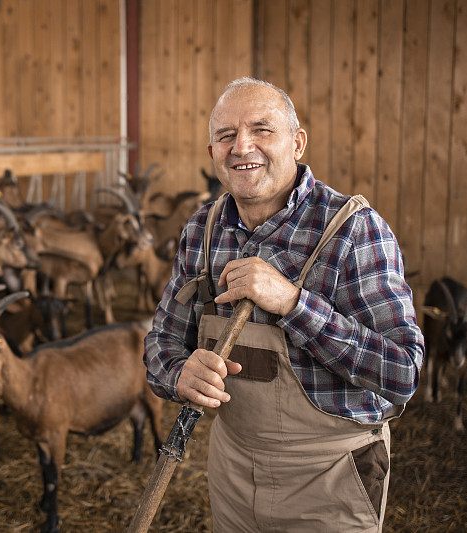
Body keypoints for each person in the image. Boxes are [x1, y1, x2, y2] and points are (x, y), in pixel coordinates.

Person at [143, 77, 425, 532]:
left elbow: (402, 373)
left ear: (297, 143)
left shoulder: (355, 231)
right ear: (212, 151)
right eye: (226, 135)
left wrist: (295, 304)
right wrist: (177, 375)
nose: (242, 146)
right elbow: (161, 340)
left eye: (261, 129)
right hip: (232, 467)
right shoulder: (203, 229)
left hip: (330, 476)